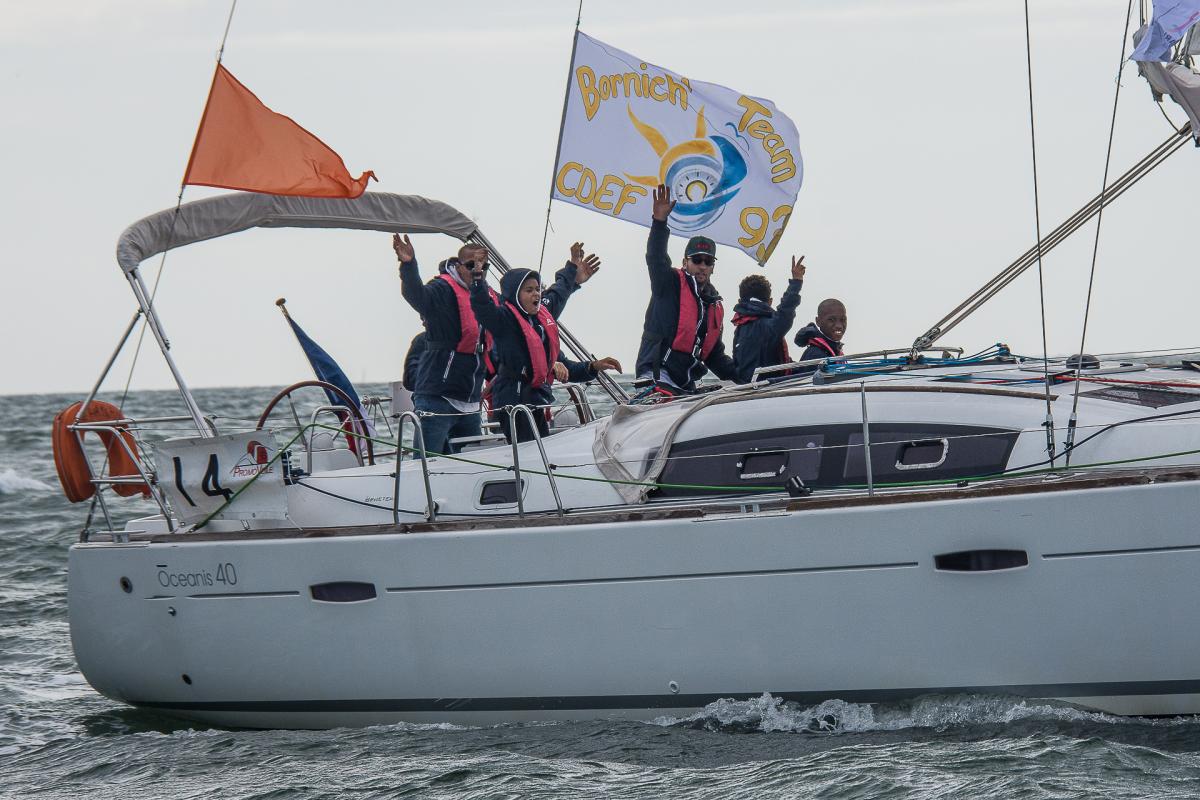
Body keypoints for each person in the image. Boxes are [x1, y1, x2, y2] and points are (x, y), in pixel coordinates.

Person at [392, 235, 599, 455]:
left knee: (473, 464)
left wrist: (572, 279)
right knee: (426, 462)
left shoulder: (490, 296)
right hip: (437, 398)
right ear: (458, 265)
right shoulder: (441, 289)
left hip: (471, 401)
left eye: (483, 266)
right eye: (471, 265)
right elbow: (416, 295)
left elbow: (537, 306)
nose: (477, 270)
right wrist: (408, 265)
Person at [471, 264, 621, 443]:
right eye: (529, 290)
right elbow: (482, 308)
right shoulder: (503, 320)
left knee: (541, 447)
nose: (536, 294)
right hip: (513, 401)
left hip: (536, 401)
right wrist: (478, 278)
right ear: (515, 294)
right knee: (529, 451)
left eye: (537, 289)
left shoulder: (540, 326)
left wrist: (594, 366)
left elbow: (568, 368)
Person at [634, 184, 737, 397]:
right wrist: (659, 222)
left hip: (686, 383)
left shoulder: (713, 305)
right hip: (657, 375)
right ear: (685, 262)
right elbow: (656, 258)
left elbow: (715, 357)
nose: (702, 266)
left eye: (708, 262)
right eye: (696, 260)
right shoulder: (668, 282)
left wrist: (751, 379)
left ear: (713, 267)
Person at [731, 255, 807, 384]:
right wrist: (796, 283)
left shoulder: (740, 329)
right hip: (765, 391)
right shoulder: (769, 327)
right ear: (770, 301)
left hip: (743, 390)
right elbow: (785, 312)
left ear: (739, 301)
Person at [793, 298, 847, 375]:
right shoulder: (816, 354)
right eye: (831, 320)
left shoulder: (835, 350)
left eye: (843, 320)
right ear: (818, 321)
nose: (839, 325)